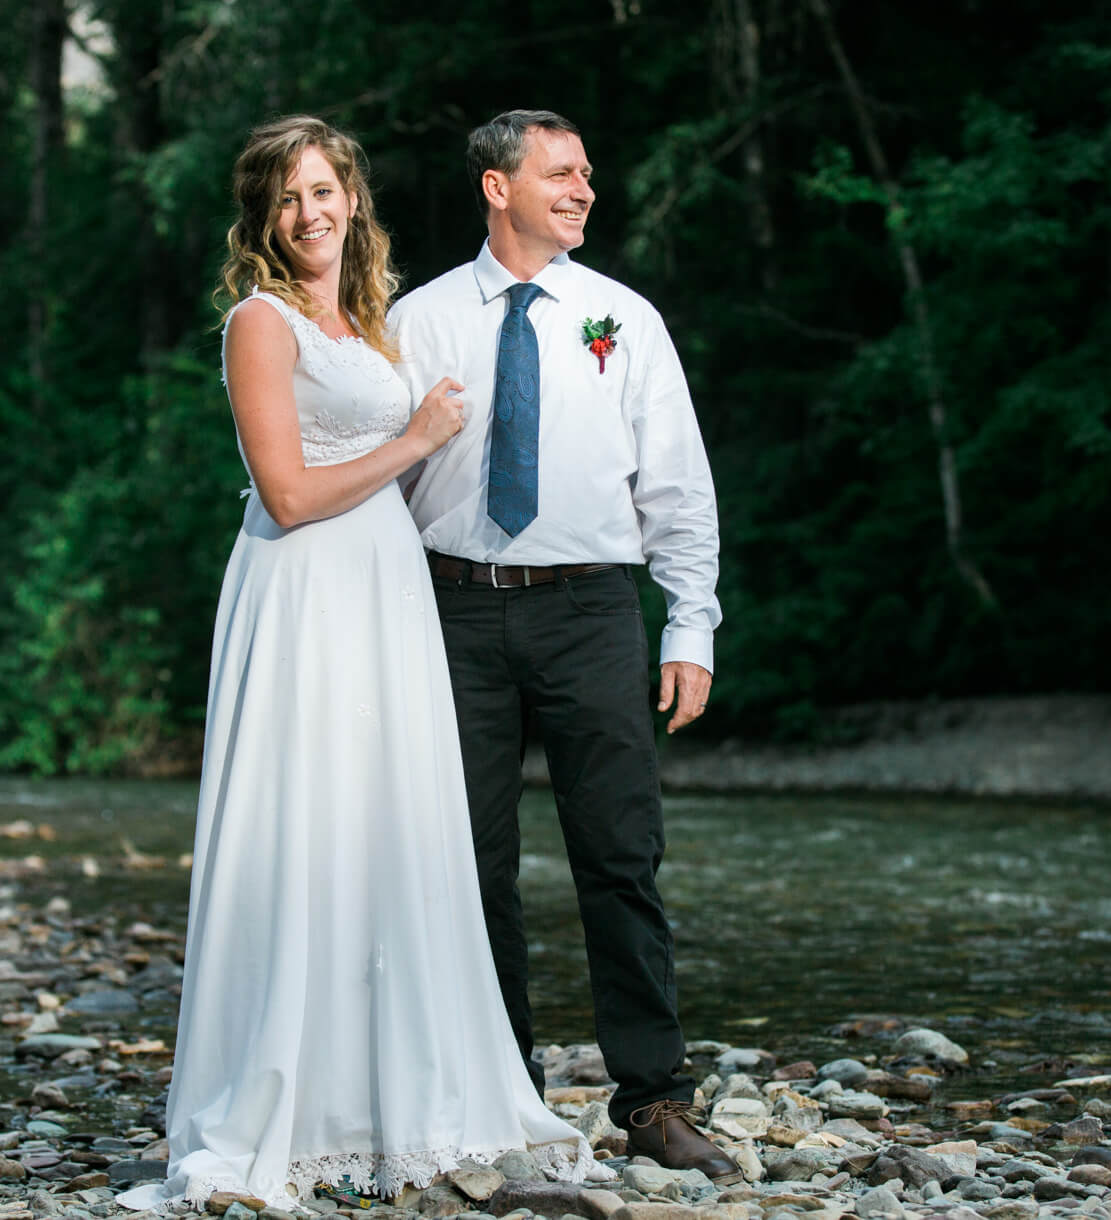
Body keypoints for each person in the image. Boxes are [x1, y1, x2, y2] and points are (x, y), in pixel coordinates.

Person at [114, 115, 603, 1214]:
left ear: (352, 199)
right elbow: (287, 494)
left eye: (324, 190)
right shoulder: (260, 320)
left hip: (385, 599)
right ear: (264, 216)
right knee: (309, 829)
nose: (309, 213)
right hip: (306, 602)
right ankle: (289, 1101)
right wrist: (416, 441)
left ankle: (390, 1097)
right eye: (288, 198)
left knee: (385, 831)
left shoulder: (370, 321)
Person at [387, 110, 733, 1182]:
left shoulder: (625, 320)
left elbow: (676, 484)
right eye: (561, 173)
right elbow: (378, 477)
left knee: (621, 855)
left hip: (591, 612)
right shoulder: (418, 319)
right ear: (498, 187)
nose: (586, 188)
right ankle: (498, 1089)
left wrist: (690, 622)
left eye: (588, 172)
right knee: (466, 861)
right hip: (450, 612)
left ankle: (655, 1096)